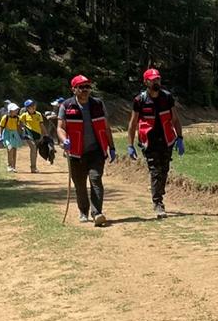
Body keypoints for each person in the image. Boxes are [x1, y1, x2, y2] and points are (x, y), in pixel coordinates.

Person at [58, 74, 117, 226]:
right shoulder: (66, 106)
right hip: (75, 153)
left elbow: (106, 127)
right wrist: (64, 140)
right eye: (81, 87)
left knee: (96, 179)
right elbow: (60, 128)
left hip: (96, 151)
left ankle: (97, 212)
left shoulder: (98, 104)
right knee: (80, 185)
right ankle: (83, 210)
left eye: (87, 87)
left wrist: (112, 147)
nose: (85, 90)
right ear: (74, 89)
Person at [129, 68, 184, 219]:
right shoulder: (139, 100)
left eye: (158, 79)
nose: (156, 82)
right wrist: (130, 145)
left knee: (164, 170)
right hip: (149, 140)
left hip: (167, 139)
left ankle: (159, 194)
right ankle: (158, 202)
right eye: (153, 80)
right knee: (155, 170)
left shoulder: (167, 97)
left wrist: (180, 138)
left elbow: (175, 119)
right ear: (146, 82)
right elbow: (133, 123)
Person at [18, 99, 46, 172]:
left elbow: (41, 125)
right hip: (28, 134)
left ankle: (34, 166)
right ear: (27, 108)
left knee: (35, 150)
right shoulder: (24, 115)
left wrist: (46, 134)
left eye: (34, 105)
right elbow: (19, 123)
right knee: (33, 148)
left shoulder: (38, 114)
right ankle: (33, 167)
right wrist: (22, 128)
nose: (34, 107)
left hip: (37, 135)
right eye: (31, 106)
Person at [0, 101, 24, 173]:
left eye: (17, 110)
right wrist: (0, 135)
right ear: (10, 111)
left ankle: (13, 166)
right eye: (15, 110)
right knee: (10, 148)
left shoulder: (17, 118)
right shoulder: (5, 117)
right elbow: (1, 127)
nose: (17, 111)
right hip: (7, 134)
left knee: (14, 150)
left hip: (14, 134)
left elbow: (18, 126)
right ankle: (9, 166)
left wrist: (21, 132)